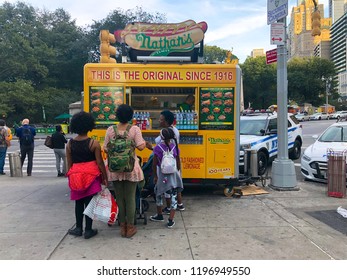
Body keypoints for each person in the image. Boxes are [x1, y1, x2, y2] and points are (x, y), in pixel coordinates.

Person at [103, 104, 147, 238]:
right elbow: (140, 147)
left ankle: (122, 227)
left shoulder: (111, 130)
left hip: (115, 169)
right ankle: (131, 227)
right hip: (130, 168)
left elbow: (105, 148)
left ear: (117, 116)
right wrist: (143, 143)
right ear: (130, 116)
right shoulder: (134, 129)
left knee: (119, 198)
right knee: (130, 198)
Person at [66, 111, 107, 239]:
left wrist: (70, 177)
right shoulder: (93, 143)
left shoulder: (69, 144)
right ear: (89, 125)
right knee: (90, 203)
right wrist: (105, 177)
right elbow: (99, 162)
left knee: (78, 203)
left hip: (76, 176)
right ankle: (88, 230)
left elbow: (69, 163)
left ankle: (78, 228)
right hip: (91, 175)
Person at [150, 127, 183, 228]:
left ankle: (159, 215)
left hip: (162, 176)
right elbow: (178, 163)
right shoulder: (175, 147)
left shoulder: (157, 148)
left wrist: (155, 176)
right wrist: (178, 174)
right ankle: (170, 220)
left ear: (161, 137)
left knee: (159, 194)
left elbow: (154, 164)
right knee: (173, 197)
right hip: (173, 177)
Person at [153, 110, 185, 213]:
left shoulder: (165, 133)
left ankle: (168, 207)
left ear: (166, 121)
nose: (159, 121)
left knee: (166, 184)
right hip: (173, 163)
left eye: (161, 119)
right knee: (175, 184)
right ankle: (178, 205)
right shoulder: (174, 130)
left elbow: (159, 147)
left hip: (166, 164)